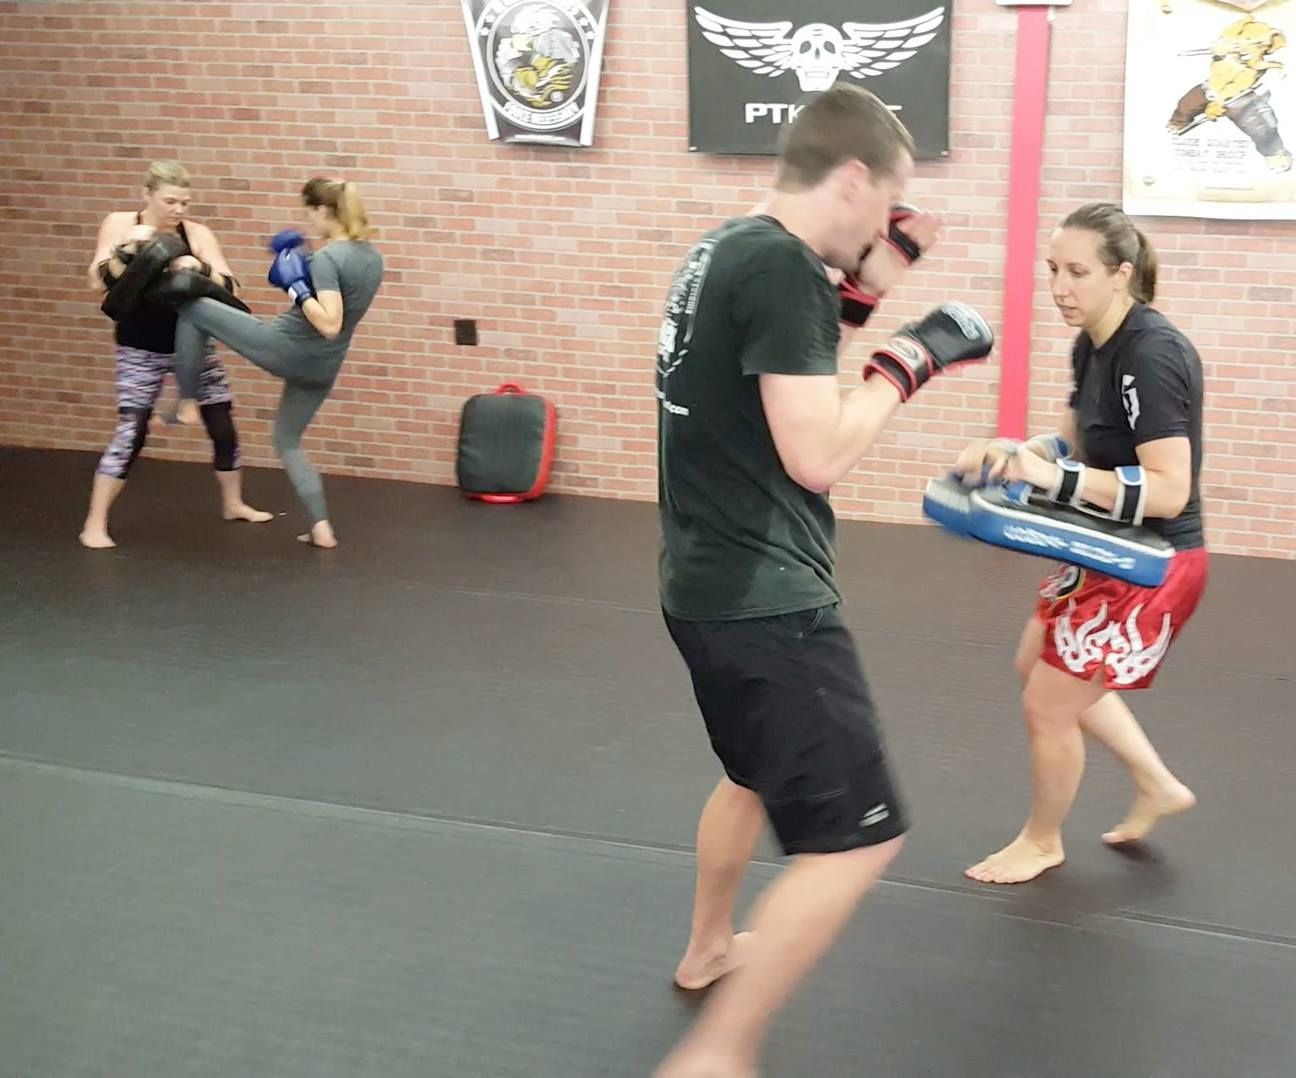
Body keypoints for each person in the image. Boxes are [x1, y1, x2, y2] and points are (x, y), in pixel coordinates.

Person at [653, 83, 994, 1078]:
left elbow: (792, 351)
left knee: (751, 773)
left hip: (700, 578)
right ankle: (717, 1055)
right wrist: (909, 361)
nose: (881, 223)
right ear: (853, 179)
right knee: (855, 839)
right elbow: (817, 452)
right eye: (881, 203)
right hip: (769, 601)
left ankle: (710, 945)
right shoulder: (782, 270)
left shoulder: (726, 248)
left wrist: (882, 269)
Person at [955, 201, 1205, 886]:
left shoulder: (1152, 355)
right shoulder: (1092, 339)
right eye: (1052, 270)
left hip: (1154, 560)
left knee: (1049, 702)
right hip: (1104, 542)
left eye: (1078, 272)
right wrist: (1014, 454)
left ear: (1121, 273)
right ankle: (1157, 784)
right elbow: (1072, 444)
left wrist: (1049, 474)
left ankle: (1042, 841)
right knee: (1035, 660)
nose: (1060, 287)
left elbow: (1169, 491)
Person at [170, 177, 384, 549]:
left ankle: (187, 400)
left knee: (192, 308)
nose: (307, 223)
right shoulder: (372, 257)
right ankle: (321, 528)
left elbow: (330, 323)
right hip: (322, 368)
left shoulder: (330, 257)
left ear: (321, 211)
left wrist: (296, 287)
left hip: (286, 347)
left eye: (308, 213)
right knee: (287, 440)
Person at [81, 160, 271, 549]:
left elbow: (231, 286)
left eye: (185, 202)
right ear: (147, 195)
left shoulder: (196, 233)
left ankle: (233, 503)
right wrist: (129, 249)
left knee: (222, 424)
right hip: (139, 344)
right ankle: (94, 524)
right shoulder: (120, 223)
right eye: (170, 201)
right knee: (131, 431)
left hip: (192, 344)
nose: (178, 210)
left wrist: (196, 265)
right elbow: (94, 282)